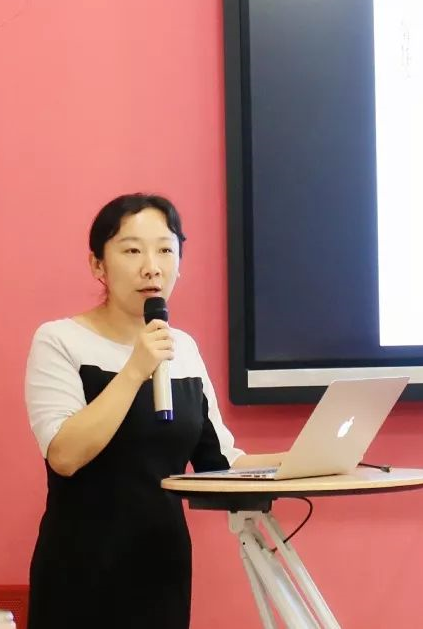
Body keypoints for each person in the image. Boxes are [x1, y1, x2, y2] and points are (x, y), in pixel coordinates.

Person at [24, 193, 283, 629]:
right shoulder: (60, 340)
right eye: (132, 251)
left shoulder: (184, 349)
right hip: (81, 568)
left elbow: (220, 462)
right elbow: (65, 455)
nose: (152, 267)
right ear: (97, 265)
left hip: (162, 566)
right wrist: (135, 369)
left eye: (165, 250)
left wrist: (303, 460)